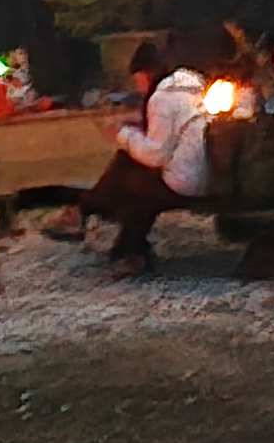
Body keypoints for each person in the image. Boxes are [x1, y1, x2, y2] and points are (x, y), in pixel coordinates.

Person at [49, 39, 210, 276]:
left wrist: (121, 134)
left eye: (137, 80)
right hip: (205, 170)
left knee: (132, 186)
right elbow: (171, 135)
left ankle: (107, 233)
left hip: (187, 180)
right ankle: (101, 228)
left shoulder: (162, 98)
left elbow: (155, 155)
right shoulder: (190, 89)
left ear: (145, 74)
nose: (138, 87)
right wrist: (135, 128)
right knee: (128, 168)